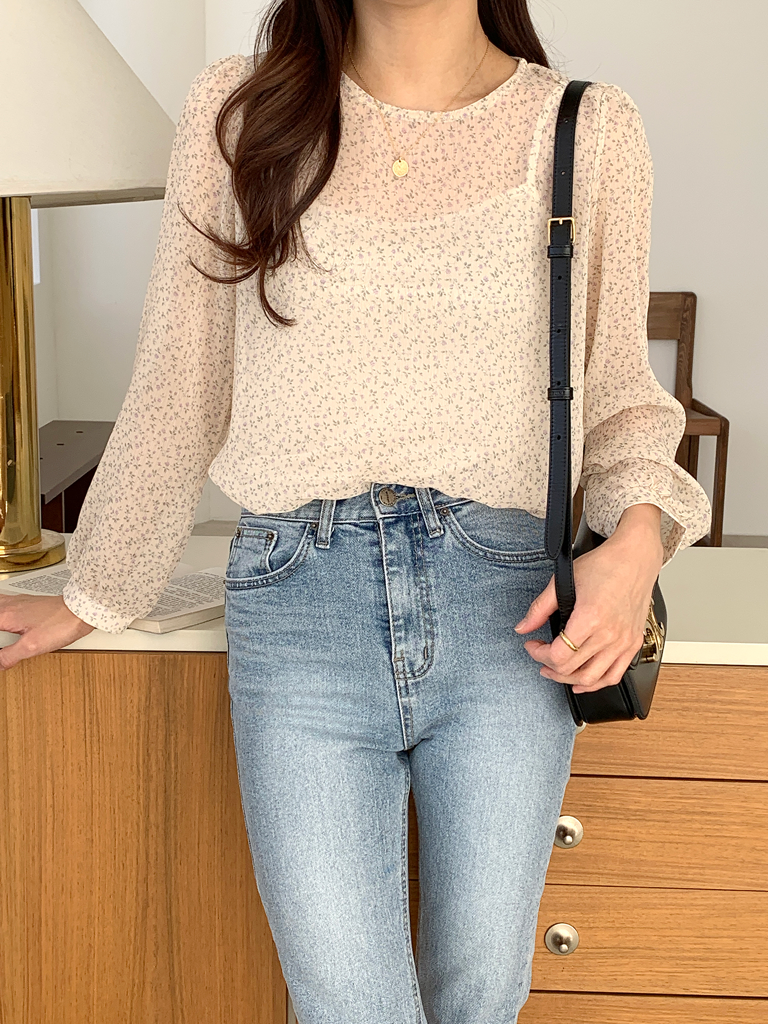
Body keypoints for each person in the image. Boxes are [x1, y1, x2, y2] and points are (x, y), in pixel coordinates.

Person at [0, 1, 711, 1020]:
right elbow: (181, 382)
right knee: (345, 1003)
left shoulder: (586, 127)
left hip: (508, 609)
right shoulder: (241, 113)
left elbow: (620, 403)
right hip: (300, 605)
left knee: (480, 994)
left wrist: (636, 546)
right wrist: (96, 589)